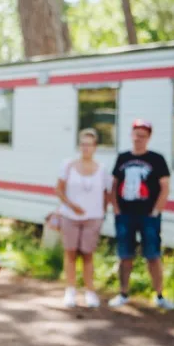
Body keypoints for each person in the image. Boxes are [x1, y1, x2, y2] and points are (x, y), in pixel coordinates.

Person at [108, 119, 174, 310]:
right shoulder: (122, 158)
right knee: (125, 255)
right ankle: (123, 293)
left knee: (153, 256)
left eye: (143, 136)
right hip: (125, 215)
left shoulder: (157, 159)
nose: (138, 138)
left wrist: (156, 211)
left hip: (149, 216)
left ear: (148, 138)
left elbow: (165, 187)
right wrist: (116, 209)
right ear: (131, 135)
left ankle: (159, 295)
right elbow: (113, 185)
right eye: (136, 134)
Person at [55, 128, 110, 308]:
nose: (86, 148)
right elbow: (59, 190)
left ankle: (90, 291)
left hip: (93, 218)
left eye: (89, 145)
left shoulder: (102, 169)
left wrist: (102, 213)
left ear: (95, 147)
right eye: (83, 144)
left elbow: (106, 194)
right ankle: (70, 290)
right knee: (70, 252)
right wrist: (72, 206)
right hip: (70, 216)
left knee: (88, 254)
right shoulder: (68, 166)